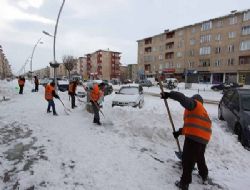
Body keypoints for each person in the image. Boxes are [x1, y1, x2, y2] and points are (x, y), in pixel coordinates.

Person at [161, 91, 212, 190]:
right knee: (200, 158)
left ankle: (184, 183)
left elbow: (182, 98)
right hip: (204, 139)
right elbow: (191, 126)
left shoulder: (195, 105)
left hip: (193, 138)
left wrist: (169, 95)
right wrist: (179, 132)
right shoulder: (202, 111)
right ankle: (204, 176)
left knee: (187, 160)